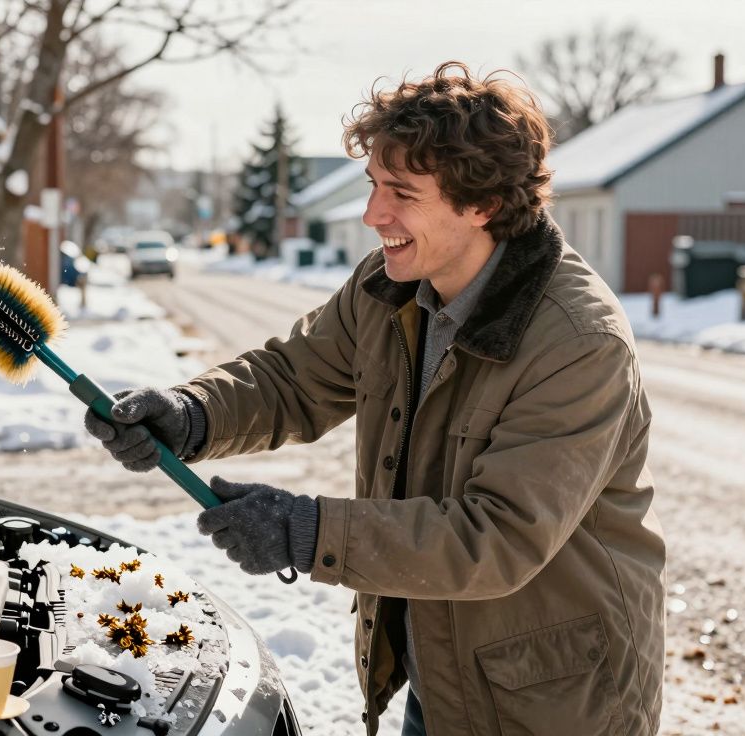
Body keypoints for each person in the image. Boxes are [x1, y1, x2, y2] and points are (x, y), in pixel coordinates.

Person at [84, 61, 664, 736]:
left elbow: (497, 537)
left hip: (554, 698)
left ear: (482, 204)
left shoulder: (576, 341)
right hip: (441, 669)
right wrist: (192, 413)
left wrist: (309, 533)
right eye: (372, 186)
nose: (371, 215)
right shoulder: (391, 287)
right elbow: (294, 377)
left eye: (402, 193)